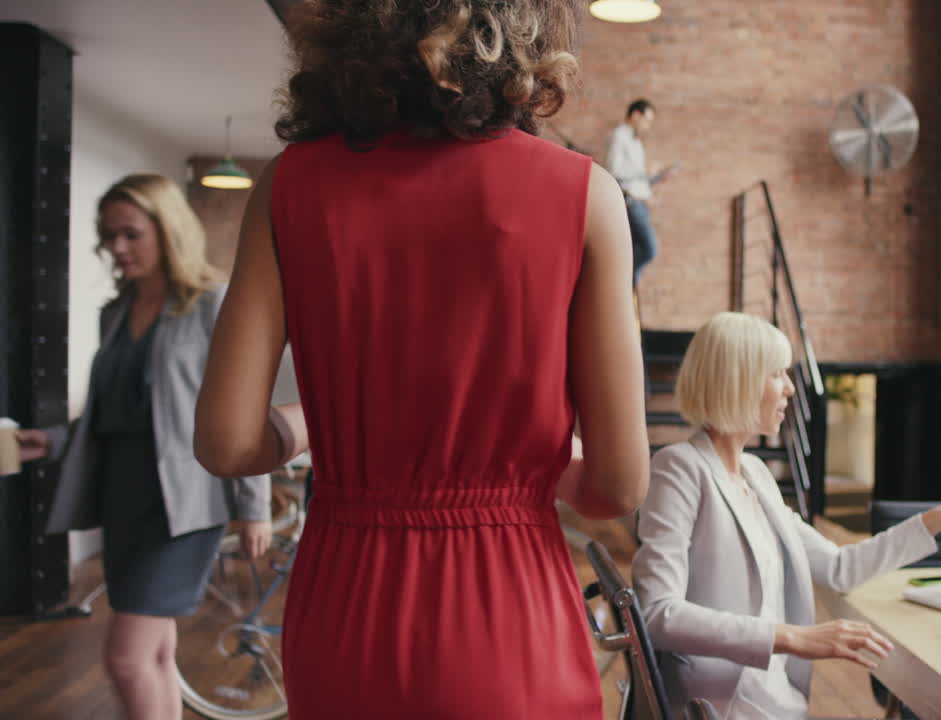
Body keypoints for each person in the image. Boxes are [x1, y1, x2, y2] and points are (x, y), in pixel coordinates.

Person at [192, 1, 650, 717]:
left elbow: (226, 442)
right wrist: (511, 457)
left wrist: (325, 425)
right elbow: (616, 488)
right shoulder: (585, 194)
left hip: (345, 600)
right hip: (509, 602)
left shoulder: (288, 187)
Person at [631, 312, 941, 718]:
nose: (788, 389)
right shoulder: (680, 468)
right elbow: (658, 612)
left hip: (770, 693)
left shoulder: (756, 474)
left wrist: (937, 520)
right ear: (738, 379)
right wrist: (791, 638)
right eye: (776, 374)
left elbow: (838, 567)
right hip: (719, 702)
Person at [14, 174, 272, 720]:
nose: (117, 248)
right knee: (154, 650)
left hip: (183, 508)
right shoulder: (114, 313)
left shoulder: (211, 305)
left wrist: (253, 507)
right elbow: (115, 412)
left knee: (126, 659)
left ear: (167, 230)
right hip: (121, 504)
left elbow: (244, 409)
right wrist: (54, 439)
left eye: (130, 234)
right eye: (108, 237)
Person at [604, 98, 670, 285]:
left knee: (634, 251)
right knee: (649, 250)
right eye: (647, 120)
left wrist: (655, 178)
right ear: (635, 115)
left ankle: (625, 286)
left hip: (640, 202)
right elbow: (614, 171)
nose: (648, 126)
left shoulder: (636, 142)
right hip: (631, 203)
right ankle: (623, 284)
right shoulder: (619, 136)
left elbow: (637, 179)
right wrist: (644, 172)